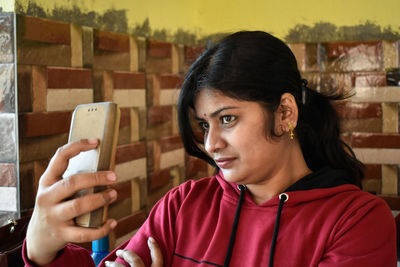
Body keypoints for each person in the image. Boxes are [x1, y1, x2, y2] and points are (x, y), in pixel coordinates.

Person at [23, 31, 396, 267]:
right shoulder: (182, 206)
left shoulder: (357, 220)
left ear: (284, 112)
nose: (210, 143)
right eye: (204, 124)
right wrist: (43, 251)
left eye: (228, 119)